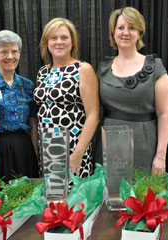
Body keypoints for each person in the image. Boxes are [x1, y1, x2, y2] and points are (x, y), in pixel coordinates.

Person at [97, 7, 168, 175]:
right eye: (121, 27)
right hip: (109, 146)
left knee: (141, 198)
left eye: (132, 28)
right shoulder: (103, 68)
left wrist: (161, 156)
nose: (125, 32)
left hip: (144, 146)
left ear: (139, 32)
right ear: (113, 32)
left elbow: (164, 114)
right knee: (111, 199)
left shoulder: (155, 67)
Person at [34, 18, 100, 180]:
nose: (59, 42)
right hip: (48, 152)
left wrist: (77, 154)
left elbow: (93, 115)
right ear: (46, 43)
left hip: (73, 150)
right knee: (52, 201)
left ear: (72, 42)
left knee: (75, 202)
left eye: (64, 37)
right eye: (53, 38)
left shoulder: (83, 69)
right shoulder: (43, 72)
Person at [0, 30, 39, 183]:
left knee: (26, 196)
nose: (10, 57)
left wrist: (34, 151)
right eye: (4, 52)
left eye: (14, 52)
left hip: (24, 147)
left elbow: (33, 123)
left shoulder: (27, 85)